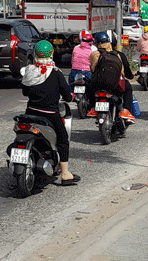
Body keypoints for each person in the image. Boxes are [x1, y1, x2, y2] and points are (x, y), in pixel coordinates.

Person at [21, 40, 79, 185]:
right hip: (49, 114)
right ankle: (65, 173)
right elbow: (66, 95)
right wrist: (71, 97)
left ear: (35, 54)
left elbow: (25, 92)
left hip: (30, 113)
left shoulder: (29, 71)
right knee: (63, 139)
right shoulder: (56, 72)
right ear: (51, 54)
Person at [88, 31, 136, 126]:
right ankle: (125, 110)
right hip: (114, 85)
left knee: (88, 87)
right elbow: (123, 72)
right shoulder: (118, 55)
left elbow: (92, 69)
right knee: (128, 88)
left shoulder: (95, 54)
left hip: (98, 84)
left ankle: (93, 107)